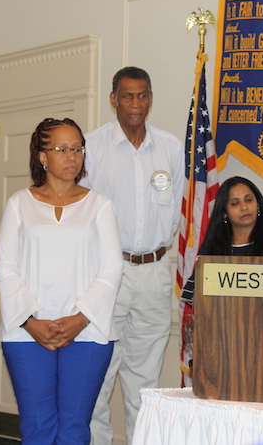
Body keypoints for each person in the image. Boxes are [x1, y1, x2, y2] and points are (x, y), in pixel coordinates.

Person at [0, 117, 123, 444]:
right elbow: (5, 269)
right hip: (26, 332)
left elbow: (111, 269)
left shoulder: (100, 205)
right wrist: (30, 321)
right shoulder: (19, 203)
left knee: (74, 430)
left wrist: (80, 318)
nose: (72, 156)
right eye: (62, 149)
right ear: (42, 156)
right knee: (37, 429)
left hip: (88, 330)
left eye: (78, 149)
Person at [81, 66, 185, 445]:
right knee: (98, 376)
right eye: (127, 95)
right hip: (106, 273)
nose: (135, 103)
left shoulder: (170, 148)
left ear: (151, 99)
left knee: (145, 381)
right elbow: (81, 214)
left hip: (155, 271)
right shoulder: (91, 147)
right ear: (114, 100)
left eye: (142, 95)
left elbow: (174, 211)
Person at [181, 176, 263, 303]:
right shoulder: (211, 246)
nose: (244, 207)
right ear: (224, 212)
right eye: (235, 203)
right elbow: (196, 294)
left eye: (249, 200)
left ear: (258, 205)